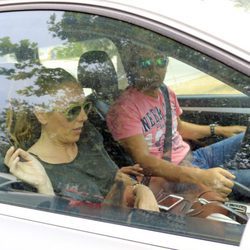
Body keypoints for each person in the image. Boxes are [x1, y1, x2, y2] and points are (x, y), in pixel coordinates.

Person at [3, 67, 159, 212]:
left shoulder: (87, 138)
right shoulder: (32, 171)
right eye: (73, 110)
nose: (84, 117)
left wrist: (139, 189)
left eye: (85, 107)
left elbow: (115, 184)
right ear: (42, 114)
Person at [106, 45, 247, 200]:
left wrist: (219, 130)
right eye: (145, 64)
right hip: (171, 178)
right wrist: (199, 176)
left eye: (161, 61)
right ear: (132, 68)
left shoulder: (165, 92)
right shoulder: (124, 109)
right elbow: (144, 160)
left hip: (195, 158)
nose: (155, 69)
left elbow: (179, 128)